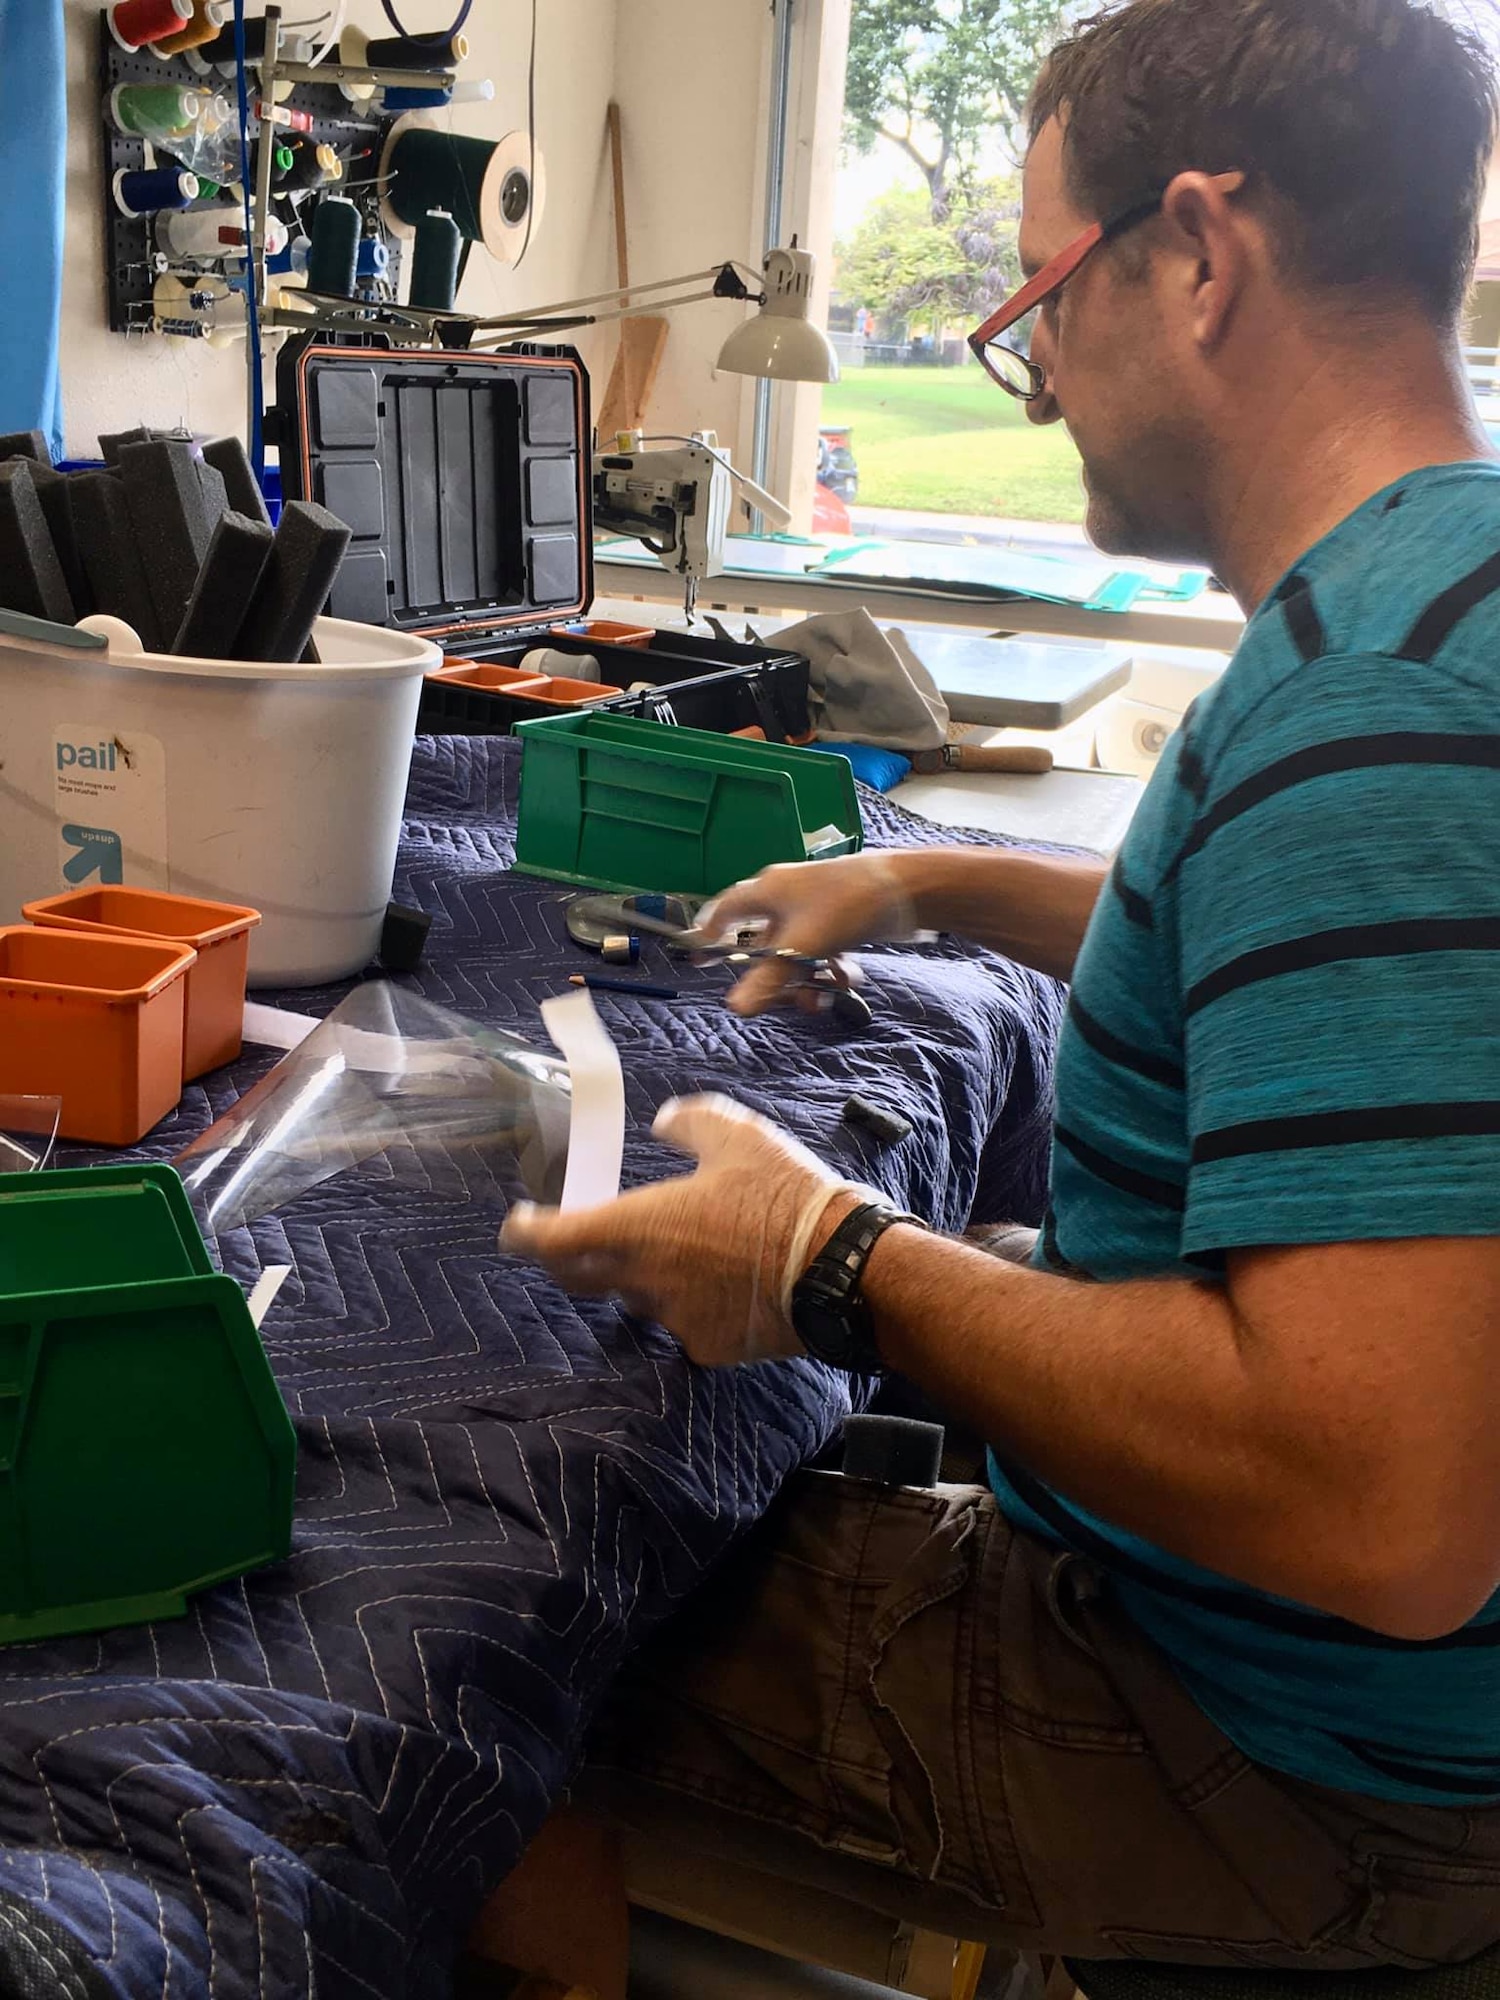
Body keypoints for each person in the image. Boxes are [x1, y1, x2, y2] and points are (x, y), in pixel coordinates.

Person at [500, 0, 1500, 1981]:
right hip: (1364, 1718)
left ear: (1198, 254)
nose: (1034, 370)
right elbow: (1259, 938)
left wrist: (834, 1260)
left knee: (525, 1608)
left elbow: (1383, 1509)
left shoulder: (1368, 724)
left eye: (1039, 291)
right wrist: (926, 875)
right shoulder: (1437, 589)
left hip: (1288, 1778)